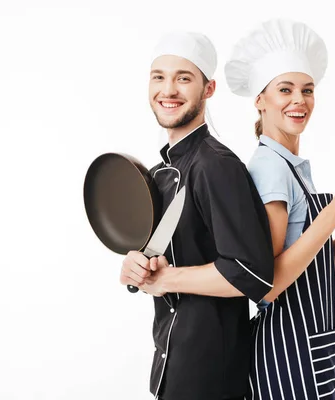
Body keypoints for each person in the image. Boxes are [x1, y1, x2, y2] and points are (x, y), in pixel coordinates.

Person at [224, 19, 335, 399]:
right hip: (287, 353)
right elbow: (267, 284)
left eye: (307, 90)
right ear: (260, 100)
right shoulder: (269, 167)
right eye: (285, 89)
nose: (299, 100)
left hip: (319, 345)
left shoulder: (293, 166)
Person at [119, 31, 275, 400]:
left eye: (183, 78)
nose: (168, 89)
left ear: (208, 89)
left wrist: (167, 280)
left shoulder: (215, 166)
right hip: (170, 364)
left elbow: (250, 273)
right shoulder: (159, 174)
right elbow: (156, 267)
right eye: (159, 76)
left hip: (212, 375)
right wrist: (135, 270)